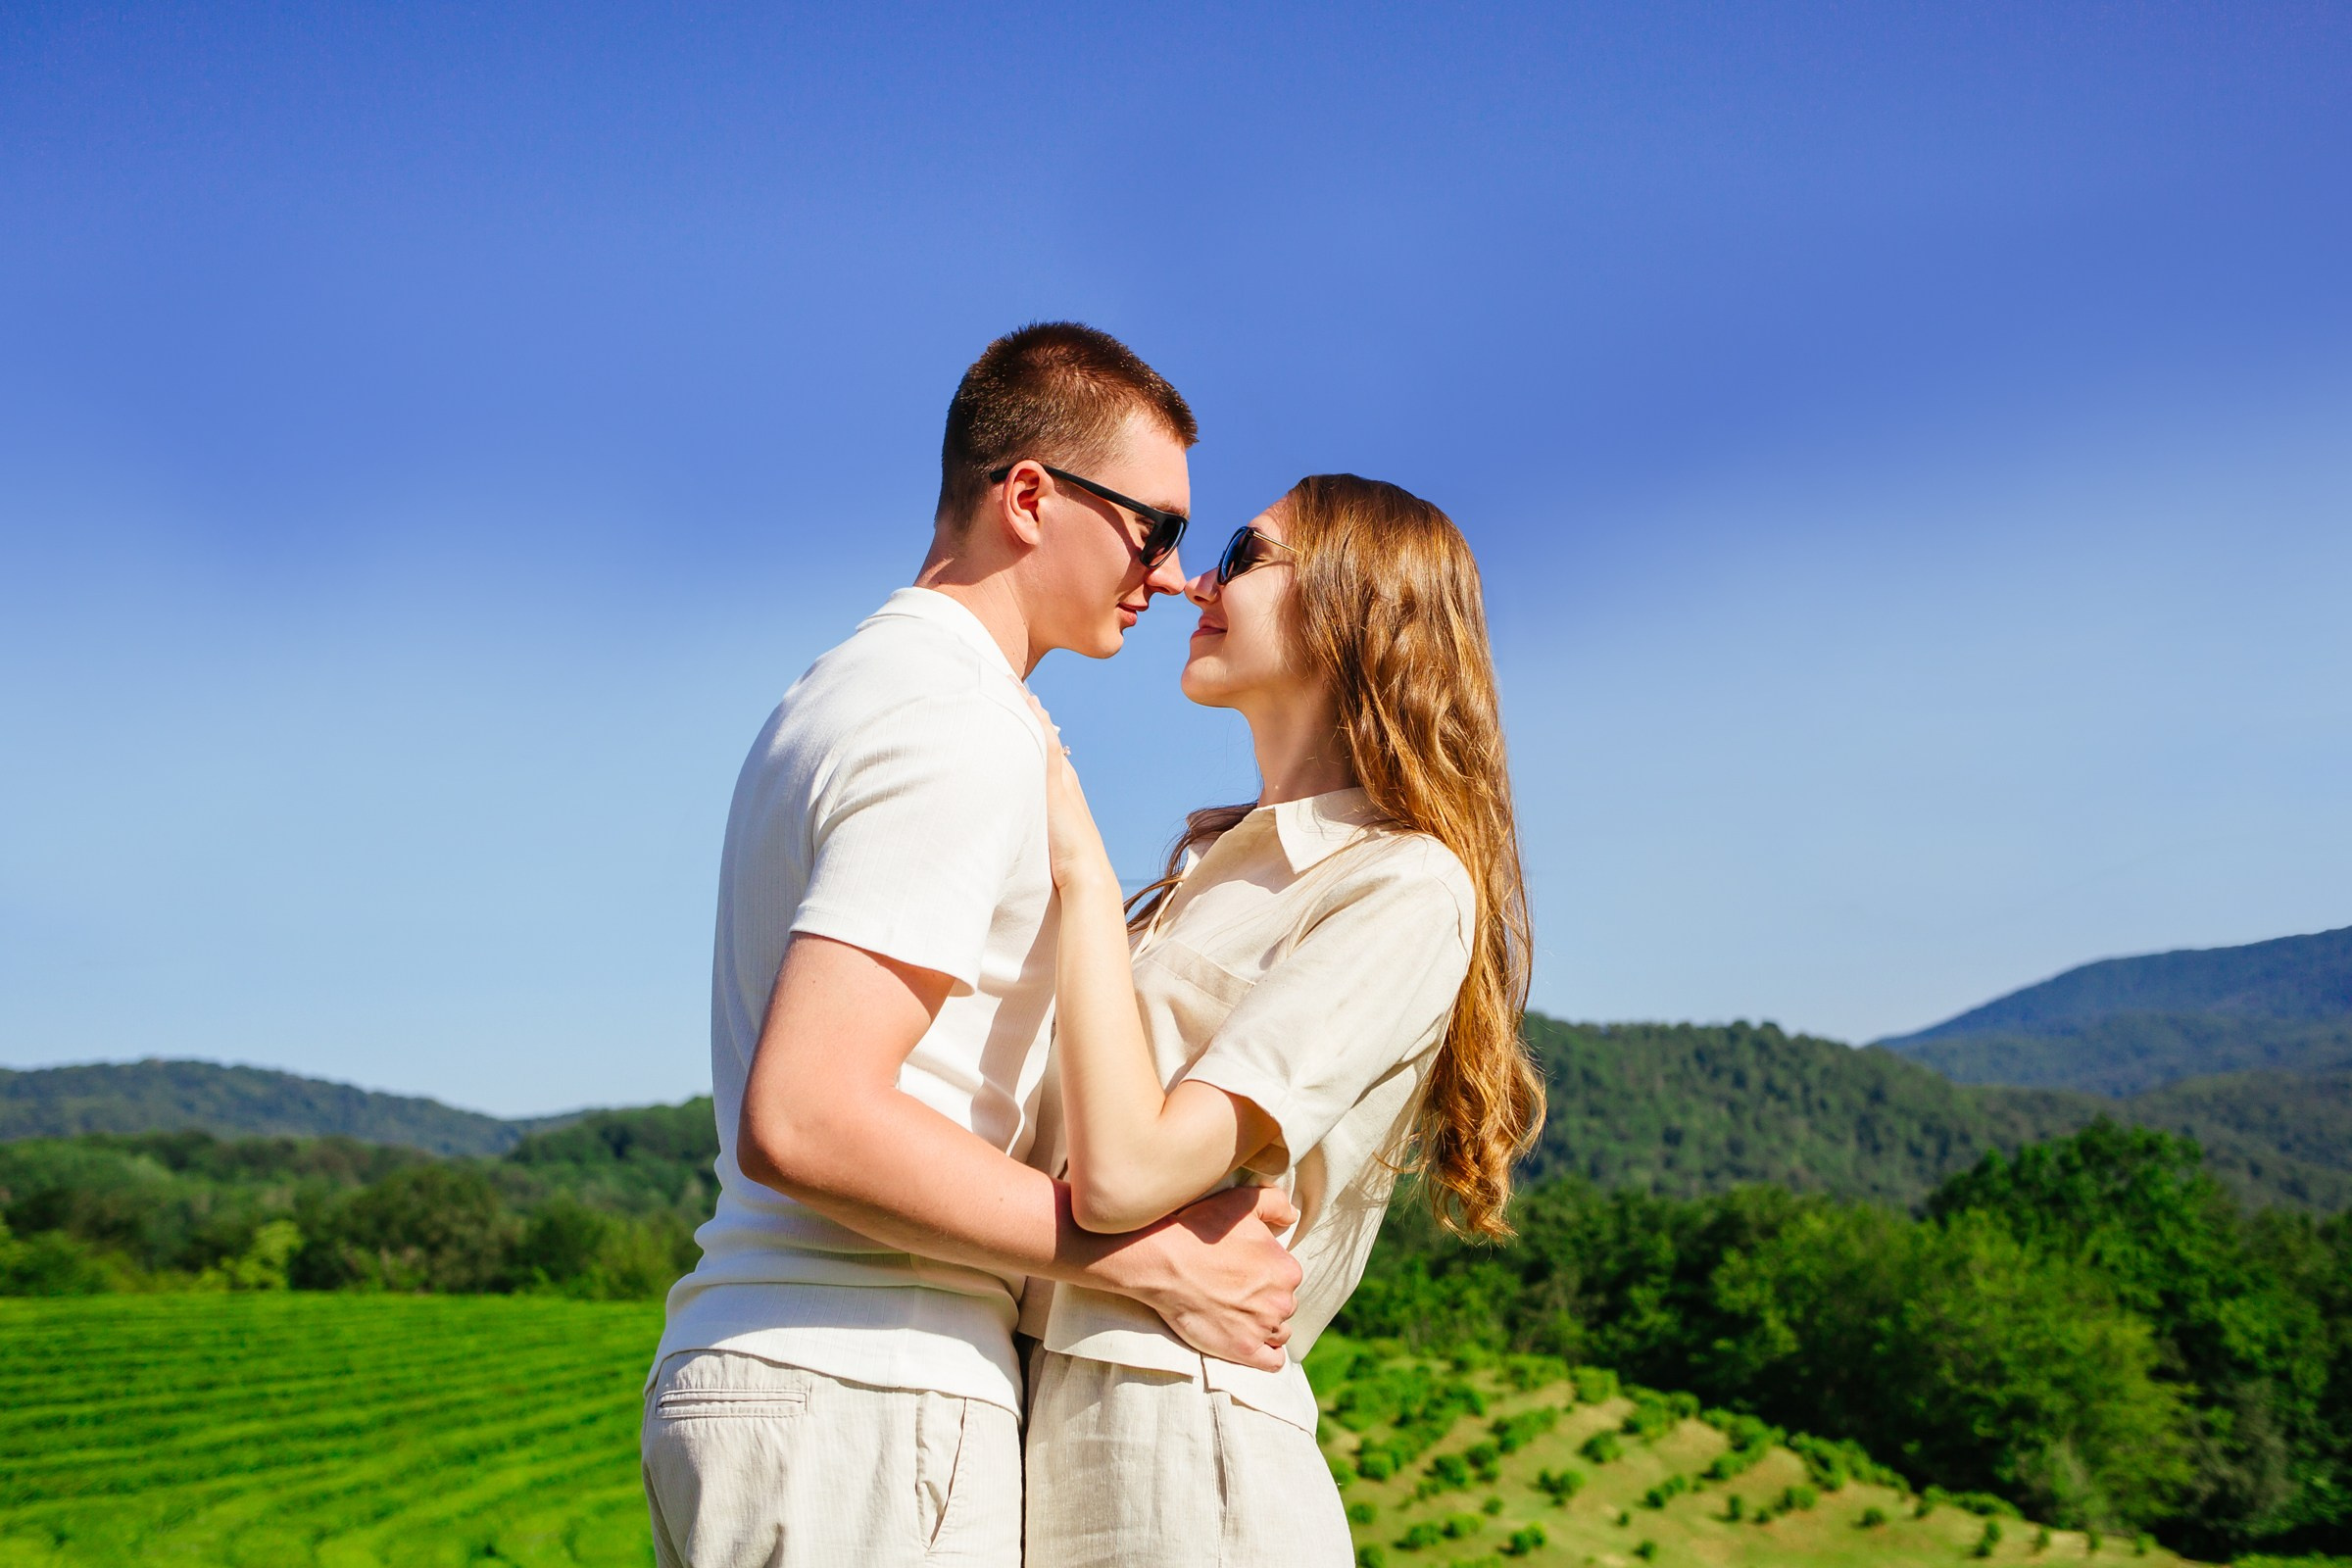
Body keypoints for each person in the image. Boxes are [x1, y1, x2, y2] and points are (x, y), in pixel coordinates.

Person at [641, 323, 1304, 1568]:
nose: (1169, 578)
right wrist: (1149, 1257)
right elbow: (808, 1115)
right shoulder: (958, 722)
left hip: (790, 1375)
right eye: (1153, 529)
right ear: (1032, 497)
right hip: (869, 1388)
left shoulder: (837, 689)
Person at [1019, 474, 1544, 1566]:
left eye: (1242, 553)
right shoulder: (1205, 873)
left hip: (1183, 1445)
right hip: (1053, 1415)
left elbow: (1124, 1173)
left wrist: (1076, 864)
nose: (1193, 580)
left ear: (1356, 599)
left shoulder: (1407, 887)